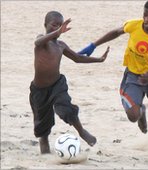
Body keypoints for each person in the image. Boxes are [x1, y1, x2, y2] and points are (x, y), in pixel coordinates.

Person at [78, 0, 148, 158]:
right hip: (133, 74)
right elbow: (115, 32)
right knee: (133, 116)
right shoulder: (134, 25)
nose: (147, 20)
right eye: (145, 15)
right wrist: (93, 45)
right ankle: (141, 112)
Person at [29, 11, 110, 154]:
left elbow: (77, 58)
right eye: (54, 25)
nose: (58, 28)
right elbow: (37, 42)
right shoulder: (41, 41)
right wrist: (57, 32)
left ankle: (81, 131)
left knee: (66, 108)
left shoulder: (61, 45)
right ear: (45, 25)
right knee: (42, 129)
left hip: (57, 85)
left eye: (60, 26)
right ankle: (45, 154)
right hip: (39, 90)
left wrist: (98, 60)